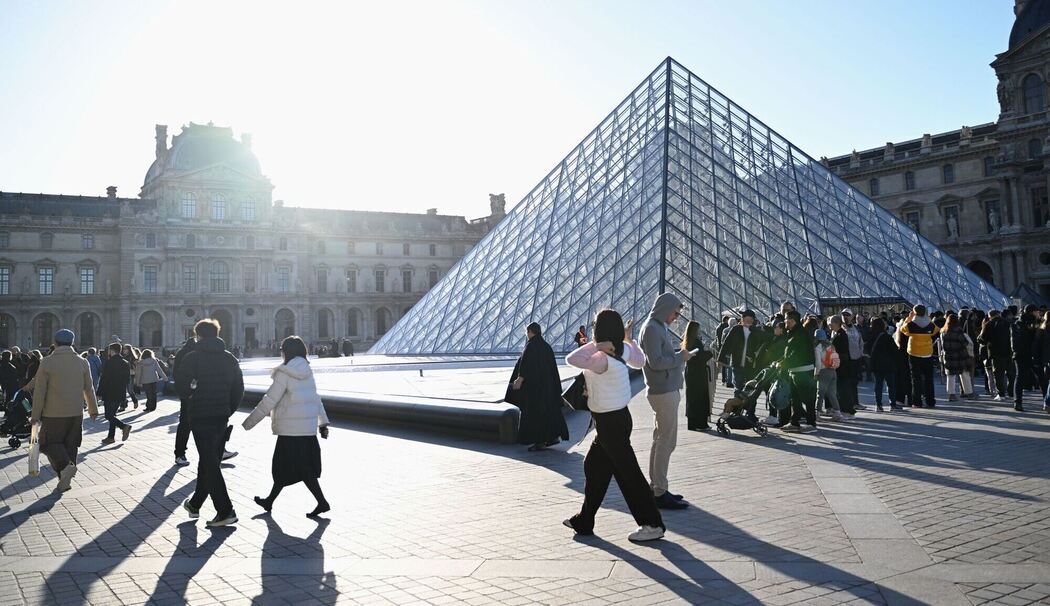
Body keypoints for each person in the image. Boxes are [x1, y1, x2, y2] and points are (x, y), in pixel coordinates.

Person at [564, 308, 665, 542]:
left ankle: (652, 524)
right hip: (619, 419)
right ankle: (585, 520)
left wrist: (597, 345)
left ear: (599, 331)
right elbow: (640, 361)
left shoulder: (601, 358)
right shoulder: (622, 350)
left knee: (629, 474)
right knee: (594, 467)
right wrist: (627, 339)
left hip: (610, 423)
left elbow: (572, 359)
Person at [243, 336, 332, 518]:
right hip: (306, 430)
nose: (281, 353)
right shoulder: (307, 370)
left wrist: (249, 422)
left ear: (287, 352)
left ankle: (322, 502)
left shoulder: (284, 372)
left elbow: (270, 400)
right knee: (291, 468)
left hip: (290, 430)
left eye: (282, 350)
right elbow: (315, 399)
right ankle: (270, 501)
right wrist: (323, 423)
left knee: (293, 468)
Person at [175, 319, 244, 527]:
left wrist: (191, 398)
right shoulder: (230, 358)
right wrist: (228, 409)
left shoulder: (192, 358)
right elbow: (239, 389)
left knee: (210, 462)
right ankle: (195, 504)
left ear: (198, 336)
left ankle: (225, 511)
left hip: (200, 416)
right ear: (217, 334)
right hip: (221, 416)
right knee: (208, 460)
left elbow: (181, 387)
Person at [639, 293, 693, 510]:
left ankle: (657, 487)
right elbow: (656, 362)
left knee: (660, 440)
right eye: (675, 313)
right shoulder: (652, 328)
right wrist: (681, 357)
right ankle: (659, 491)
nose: (676, 317)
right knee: (666, 442)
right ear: (665, 309)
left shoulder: (656, 326)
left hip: (663, 389)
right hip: (663, 391)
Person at [28, 329, 99, 492]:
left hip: (53, 413)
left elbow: (40, 391)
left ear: (55, 343)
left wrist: (35, 415)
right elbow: (89, 388)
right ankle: (65, 481)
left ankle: (66, 468)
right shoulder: (82, 362)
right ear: (72, 342)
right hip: (76, 412)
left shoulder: (47, 362)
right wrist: (93, 409)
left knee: (47, 444)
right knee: (71, 445)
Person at [506, 322, 570, 451]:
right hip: (548, 388)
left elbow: (525, 366)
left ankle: (539, 441)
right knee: (549, 413)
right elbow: (553, 369)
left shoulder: (530, 346)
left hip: (534, 389)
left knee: (534, 415)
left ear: (530, 332)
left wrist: (519, 380)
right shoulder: (546, 346)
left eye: (527, 332)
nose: (526, 334)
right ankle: (552, 437)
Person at [777, 313, 817, 432]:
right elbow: (790, 352)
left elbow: (797, 354)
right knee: (796, 399)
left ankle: (811, 423)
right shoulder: (794, 332)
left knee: (807, 398)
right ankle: (794, 422)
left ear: (793, 321)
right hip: (796, 370)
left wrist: (784, 363)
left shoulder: (800, 334)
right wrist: (781, 361)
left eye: (787, 320)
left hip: (803, 370)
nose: (785, 322)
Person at [718, 310, 764, 400]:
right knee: (738, 387)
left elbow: (763, 343)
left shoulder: (756, 331)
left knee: (750, 389)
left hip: (751, 365)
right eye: (746, 320)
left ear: (753, 321)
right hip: (737, 363)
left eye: (750, 321)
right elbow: (726, 344)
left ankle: (749, 408)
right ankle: (737, 406)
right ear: (742, 320)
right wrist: (720, 359)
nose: (748, 323)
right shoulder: (736, 329)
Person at [898, 305, 937, 408]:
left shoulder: (911, 324)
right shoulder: (930, 324)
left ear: (914, 312)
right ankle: (930, 401)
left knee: (916, 379)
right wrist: (927, 318)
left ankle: (917, 402)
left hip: (914, 353)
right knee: (929, 379)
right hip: (927, 353)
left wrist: (909, 318)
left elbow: (902, 329)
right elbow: (936, 330)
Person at [97, 342, 132, 445]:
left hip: (109, 392)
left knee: (108, 416)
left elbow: (104, 379)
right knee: (113, 415)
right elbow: (127, 380)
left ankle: (123, 426)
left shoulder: (109, 363)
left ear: (112, 351)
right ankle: (111, 437)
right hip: (120, 392)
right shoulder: (125, 363)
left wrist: (99, 392)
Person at [682, 321, 714, 431]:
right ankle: (701, 424)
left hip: (690, 372)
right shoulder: (696, 342)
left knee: (692, 398)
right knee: (701, 398)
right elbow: (701, 358)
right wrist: (709, 353)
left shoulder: (687, 341)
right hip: (699, 373)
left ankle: (692, 423)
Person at [813, 329, 847, 422]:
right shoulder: (831, 346)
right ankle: (837, 413)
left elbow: (818, 363)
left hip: (823, 371)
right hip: (833, 371)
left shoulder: (818, 347)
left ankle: (817, 414)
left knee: (820, 394)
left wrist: (816, 373)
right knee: (832, 393)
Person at [868, 318, 902, 412]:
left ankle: (878, 405)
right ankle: (893, 404)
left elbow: (867, 348)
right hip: (888, 364)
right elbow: (894, 350)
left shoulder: (871, 336)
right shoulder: (887, 337)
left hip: (876, 364)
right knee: (891, 385)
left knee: (878, 385)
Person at [941, 314, 975, 402]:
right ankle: (969, 393)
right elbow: (965, 343)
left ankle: (951, 395)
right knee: (964, 374)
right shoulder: (958, 331)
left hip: (949, 356)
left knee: (950, 376)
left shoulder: (943, 331)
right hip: (960, 355)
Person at [1011, 305, 1038, 413]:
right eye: (1036, 311)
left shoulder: (1017, 323)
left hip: (1019, 354)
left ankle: (1017, 402)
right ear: (1032, 312)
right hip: (1032, 354)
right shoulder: (1034, 324)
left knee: (1019, 378)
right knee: (1043, 378)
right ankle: (1047, 402)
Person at [829, 315, 857, 416]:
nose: (830, 325)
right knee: (841, 388)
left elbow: (842, 351)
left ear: (837, 323)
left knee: (844, 388)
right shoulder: (838, 334)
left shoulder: (841, 335)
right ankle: (844, 409)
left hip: (842, 365)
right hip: (841, 364)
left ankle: (847, 410)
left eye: (831, 323)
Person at [120, 344, 140, 411]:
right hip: (122, 375)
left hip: (130, 375)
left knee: (130, 390)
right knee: (122, 391)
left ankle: (135, 401)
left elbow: (136, 367)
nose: (124, 350)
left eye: (125, 349)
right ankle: (123, 405)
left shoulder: (133, 357)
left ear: (129, 350)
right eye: (123, 349)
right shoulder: (122, 357)